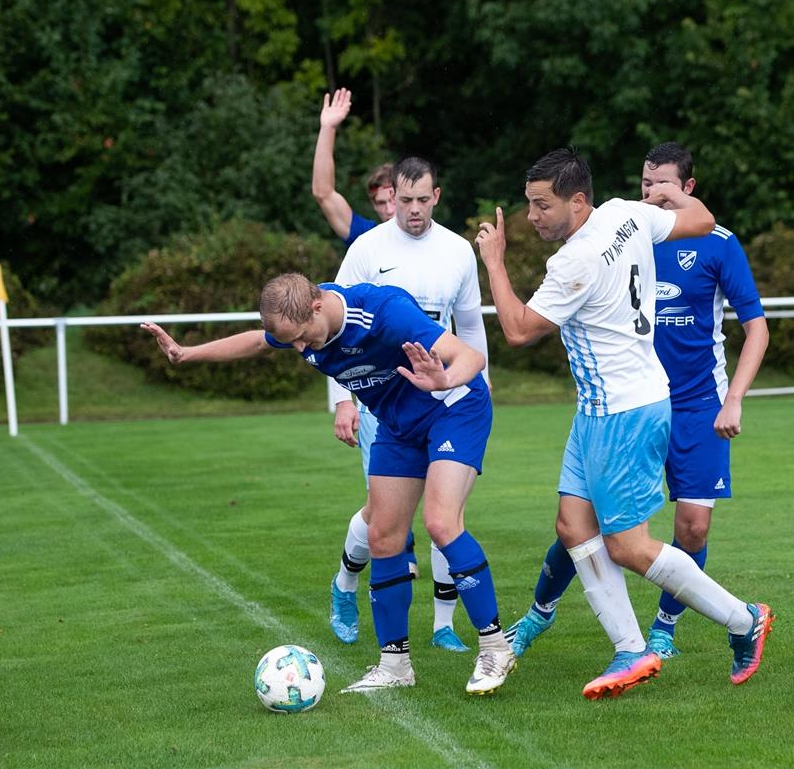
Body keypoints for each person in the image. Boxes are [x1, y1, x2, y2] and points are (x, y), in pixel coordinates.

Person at [475, 147, 773, 700]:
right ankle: (631, 649)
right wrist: (670, 194)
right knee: (572, 525)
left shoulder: (575, 260)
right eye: (529, 205)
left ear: (578, 201)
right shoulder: (625, 214)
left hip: (623, 411)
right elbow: (703, 219)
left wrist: (494, 261)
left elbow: (517, 329)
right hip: (602, 408)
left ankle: (742, 619)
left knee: (629, 546)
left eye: (542, 206)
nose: (532, 216)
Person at [141, 273, 516, 695]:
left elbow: (468, 356)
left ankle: (495, 647)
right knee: (383, 536)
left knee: (441, 523)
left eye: (302, 337)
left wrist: (445, 378)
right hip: (397, 421)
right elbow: (257, 342)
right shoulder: (297, 320)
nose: (300, 348)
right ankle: (394, 665)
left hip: (452, 407)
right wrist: (187, 354)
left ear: (317, 306)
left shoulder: (382, 312)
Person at [312, 90, 478, 652]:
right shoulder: (365, 247)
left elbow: (469, 330)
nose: (411, 209)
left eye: (421, 199)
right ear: (392, 198)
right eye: (403, 199)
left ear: (436, 197)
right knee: (386, 520)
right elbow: (331, 328)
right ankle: (345, 583)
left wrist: (477, 387)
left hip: (445, 399)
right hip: (382, 399)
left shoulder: (458, 251)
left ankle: (444, 626)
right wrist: (342, 400)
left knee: (444, 513)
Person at [311, 87, 395, 245]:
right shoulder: (367, 237)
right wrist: (328, 128)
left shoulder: (433, 239)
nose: (389, 210)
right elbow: (323, 193)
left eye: (394, 201)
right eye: (381, 203)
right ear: (373, 205)